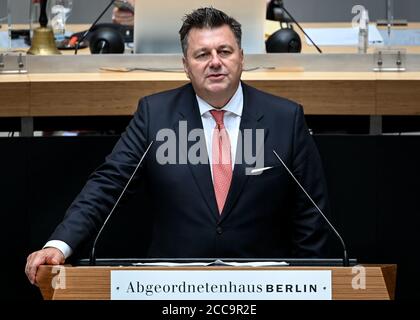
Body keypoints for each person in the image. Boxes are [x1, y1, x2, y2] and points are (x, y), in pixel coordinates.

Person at [25, 7, 330, 285]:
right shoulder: (154, 115)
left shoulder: (285, 118)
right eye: (202, 54)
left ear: (241, 58)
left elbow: (312, 213)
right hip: (173, 282)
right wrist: (59, 245)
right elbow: (109, 185)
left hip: (262, 282)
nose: (215, 62)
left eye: (224, 51)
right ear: (186, 65)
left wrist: (309, 283)